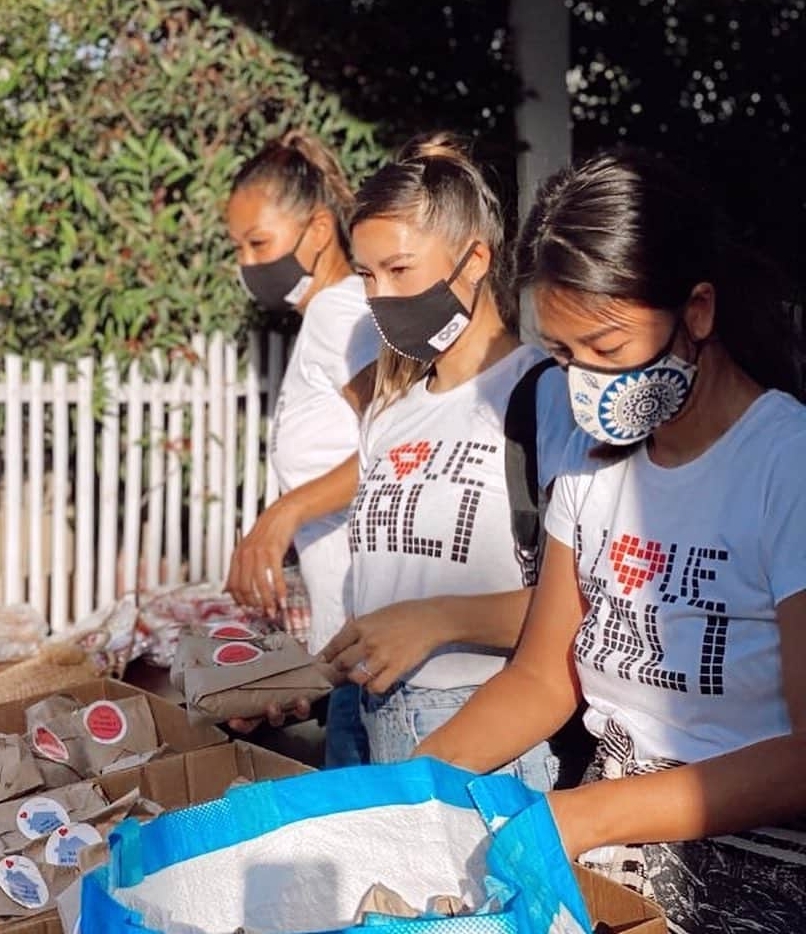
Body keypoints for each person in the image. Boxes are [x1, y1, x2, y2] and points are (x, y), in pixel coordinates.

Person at [416, 149, 806, 932]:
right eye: (562, 356)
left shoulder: (784, 464)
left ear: (696, 311)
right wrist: (408, 791)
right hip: (605, 849)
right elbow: (542, 679)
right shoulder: (593, 471)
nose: (584, 384)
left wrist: (590, 815)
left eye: (606, 349)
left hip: (751, 869)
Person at [320, 133, 574, 787]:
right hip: (376, 725)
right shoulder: (389, 411)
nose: (381, 297)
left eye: (400, 270)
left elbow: (592, 609)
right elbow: (381, 591)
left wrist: (440, 620)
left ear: (475, 260)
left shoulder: (544, 396)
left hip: (493, 742)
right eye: (367, 276)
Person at [224, 130, 379, 768]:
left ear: (318, 231)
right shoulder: (325, 321)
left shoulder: (340, 315)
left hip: (373, 651)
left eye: (259, 243)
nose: (247, 263)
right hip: (347, 649)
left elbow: (400, 444)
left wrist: (279, 516)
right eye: (237, 247)